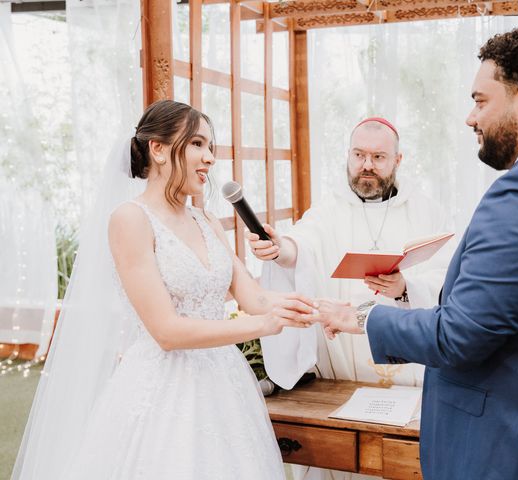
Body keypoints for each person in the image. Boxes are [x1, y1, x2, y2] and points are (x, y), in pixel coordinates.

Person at [311, 27, 518, 480]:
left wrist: (361, 317)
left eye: (480, 100)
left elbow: (464, 333)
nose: (470, 117)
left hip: (514, 447)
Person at [12, 100, 315, 480]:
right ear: (157, 149)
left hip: (225, 385)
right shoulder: (130, 219)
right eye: (197, 145)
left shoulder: (206, 219)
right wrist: (265, 325)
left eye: (211, 149)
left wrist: (313, 308)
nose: (208, 159)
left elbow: (253, 297)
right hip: (163, 391)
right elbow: (167, 332)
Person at [247, 118, 453, 391]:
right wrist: (278, 248)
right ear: (348, 155)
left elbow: (447, 277)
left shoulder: (428, 212)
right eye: (359, 155)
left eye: (378, 157)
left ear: (398, 159)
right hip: (341, 373)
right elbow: (302, 246)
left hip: (411, 376)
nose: (367, 165)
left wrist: (405, 288)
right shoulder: (329, 209)